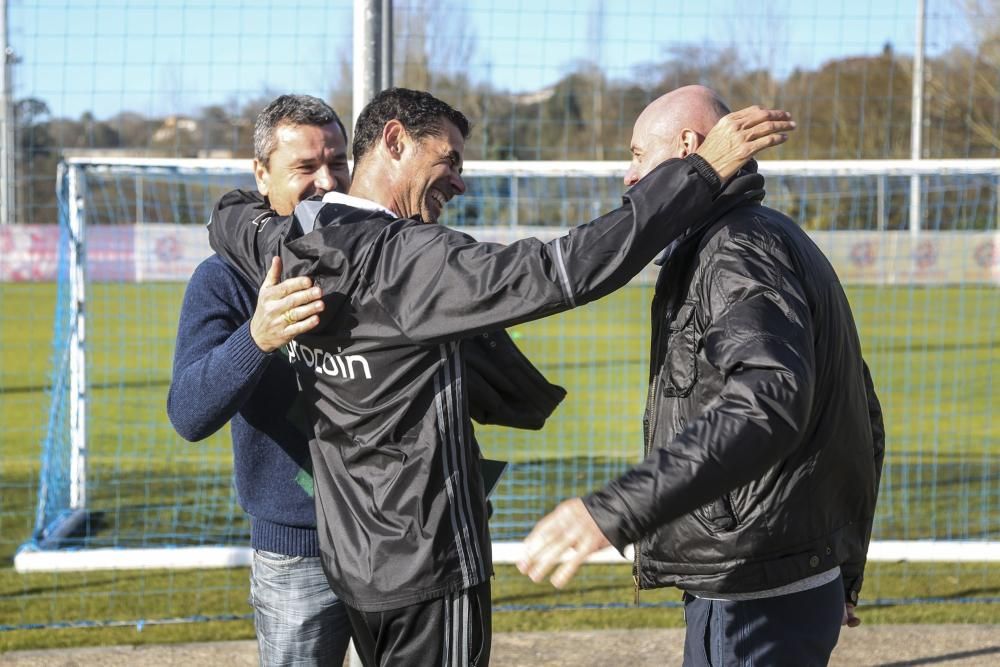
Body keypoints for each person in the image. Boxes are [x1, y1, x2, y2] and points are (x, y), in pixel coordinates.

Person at [205, 87, 795, 667]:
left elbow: (228, 215)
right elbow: (567, 267)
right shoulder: (411, 260)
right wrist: (700, 173)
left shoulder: (288, 242)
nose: (459, 180)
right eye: (449, 160)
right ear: (394, 141)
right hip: (427, 567)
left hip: (354, 565)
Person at [516, 85, 885, 667]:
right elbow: (861, 411)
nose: (628, 175)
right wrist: (837, 565)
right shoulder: (765, 236)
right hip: (785, 575)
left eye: (638, 154)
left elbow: (767, 403)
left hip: (751, 588)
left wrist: (613, 511)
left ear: (689, 145)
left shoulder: (734, 248)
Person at [167, 94, 353, 666]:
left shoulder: (380, 262)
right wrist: (257, 338)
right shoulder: (221, 279)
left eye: (338, 162)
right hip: (296, 551)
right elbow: (188, 413)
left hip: (394, 539)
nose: (326, 181)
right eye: (305, 167)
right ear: (261, 174)